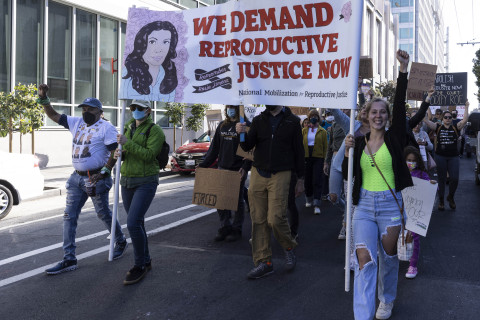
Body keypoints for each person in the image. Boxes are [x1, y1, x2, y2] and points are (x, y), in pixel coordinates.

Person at [343, 50, 412, 320]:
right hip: (363, 207)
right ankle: (362, 315)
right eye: (374, 112)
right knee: (365, 262)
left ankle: (387, 300)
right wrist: (347, 151)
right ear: (366, 115)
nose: (379, 116)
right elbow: (347, 172)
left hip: (390, 206)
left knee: (389, 259)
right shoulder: (357, 142)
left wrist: (403, 71)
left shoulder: (394, 138)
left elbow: (399, 102)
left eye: (383, 112)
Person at [36, 84, 128, 275]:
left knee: (103, 213)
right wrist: (44, 99)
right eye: (84, 109)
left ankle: (120, 240)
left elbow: (114, 152)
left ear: (99, 112)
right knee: (69, 217)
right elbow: (53, 115)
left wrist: (104, 172)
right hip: (76, 179)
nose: (85, 112)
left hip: (97, 178)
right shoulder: (77, 123)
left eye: (90, 109)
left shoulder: (106, 128)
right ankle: (69, 259)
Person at [236, 105, 305, 279]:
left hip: (282, 173)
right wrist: (241, 132)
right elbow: (247, 146)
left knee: (275, 219)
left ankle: (288, 247)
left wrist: (301, 179)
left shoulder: (293, 121)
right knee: (258, 219)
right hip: (259, 172)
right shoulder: (259, 120)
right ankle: (264, 262)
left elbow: (299, 151)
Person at [115, 100, 164, 285]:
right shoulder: (128, 127)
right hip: (127, 180)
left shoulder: (155, 130)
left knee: (133, 223)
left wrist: (128, 144)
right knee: (138, 223)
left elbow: (149, 155)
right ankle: (146, 260)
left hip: (146, 181)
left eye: (139, 108)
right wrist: (120, 153)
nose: (135, 111)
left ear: (148, 110)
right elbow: (128, 152)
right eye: (132, 108)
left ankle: (139, 265)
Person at [198, 105, 251, 242]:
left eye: (233, 107)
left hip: (238, 169)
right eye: (228, 107)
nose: (230, 110)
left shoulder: (245, 125)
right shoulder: (222, 126)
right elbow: (214, 148)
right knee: (220, 200)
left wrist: (245, 166)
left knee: (237, 200)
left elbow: (251, 150)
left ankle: (236, 229)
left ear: (239, 109)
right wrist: (203, 164)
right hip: (223, 167)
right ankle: (225, 226)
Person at [424, 101, 469, 210]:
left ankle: (451, 197)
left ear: (451, 119)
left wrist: (467, 107)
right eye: (446, 117)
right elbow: (425, 120)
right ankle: (441, 200)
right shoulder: (437, 127)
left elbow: (465, 120)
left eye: (449, 117)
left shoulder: (455, 127)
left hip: (453, 157)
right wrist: (425, 104)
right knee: (441, 179)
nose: (448, 119)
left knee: (454, 178)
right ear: (442, 119)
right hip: (440, 157)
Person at [121, 21, 178, 102]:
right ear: (142, 43)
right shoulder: (128, 73)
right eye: (152, 42)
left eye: (166, 42)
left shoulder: (169, 74)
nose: (159, 49)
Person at [403, 146, 435, 279]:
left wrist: (431, 184)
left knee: (414, 237)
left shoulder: (422, 174)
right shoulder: (400, 173)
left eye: (413, 160)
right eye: (408, 160)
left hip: (415, 212)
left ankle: (413, 264)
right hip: (400, 209)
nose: (411, 163)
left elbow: (428, 187)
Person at [302, 109, 328, 214]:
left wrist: (325, 160)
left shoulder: (323, 131)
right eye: (311, 116)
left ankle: (317, 204)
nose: (313, 117)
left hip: (318, 157)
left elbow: (325, 147)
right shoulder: (304, 130)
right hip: (307, 156)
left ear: (318, 117)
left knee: (317, 179)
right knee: (307, 179)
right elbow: (300, 144)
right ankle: (308, 198)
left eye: (315, 116)